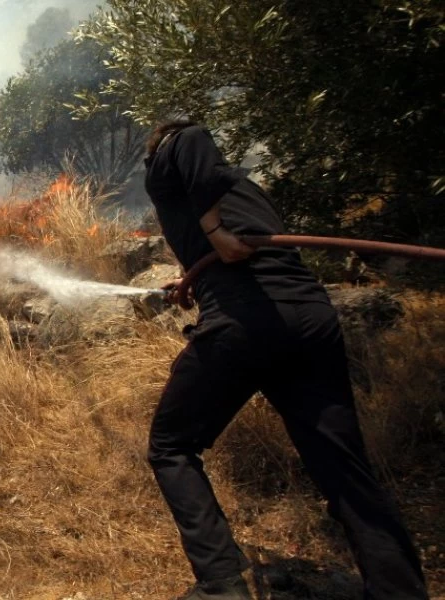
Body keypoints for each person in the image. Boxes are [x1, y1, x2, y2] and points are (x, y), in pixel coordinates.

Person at [142, 119, 428, 600]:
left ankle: (220, 584)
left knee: (171, 446)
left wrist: (211, 230)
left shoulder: (173, 150)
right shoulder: (243, 188)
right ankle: (399, 591)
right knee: (342, 465)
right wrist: (192, 274)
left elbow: (190, 141)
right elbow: (242, 249)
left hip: (243, 323)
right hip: (310, 318)